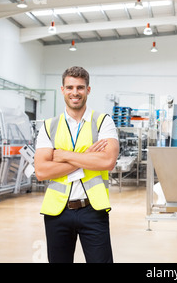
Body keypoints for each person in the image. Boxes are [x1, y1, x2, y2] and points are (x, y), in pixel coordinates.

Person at [34, 66, 119, 263]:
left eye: (80, 87)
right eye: (70, 87)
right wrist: (87, 158)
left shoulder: (102, 122)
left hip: (93, 210)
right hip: (57, 212)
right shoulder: (49, 126)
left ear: (88, 90)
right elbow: (41, 171)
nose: (75, 92)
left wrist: (62, 155)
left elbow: (107, 161)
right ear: (62, 89)